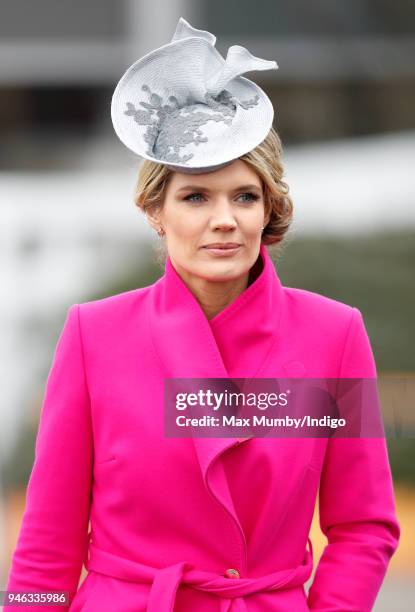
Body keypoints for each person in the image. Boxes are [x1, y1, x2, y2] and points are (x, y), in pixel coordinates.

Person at [5, 17, 400, 612]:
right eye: (195, 197)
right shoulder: (94, 334)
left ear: (269, 209)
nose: (225, 219)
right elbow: (46, 543)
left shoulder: (333, 334)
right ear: (155, 212)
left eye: (245, 196)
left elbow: (366, 527)